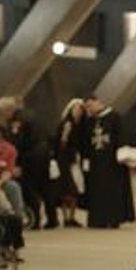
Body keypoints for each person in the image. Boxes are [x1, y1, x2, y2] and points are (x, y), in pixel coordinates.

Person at [79, 95, 135, 228]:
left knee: (112, 192)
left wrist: (122, 155)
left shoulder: (115, 117)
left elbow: (122, 137)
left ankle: (114, 219)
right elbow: (85, 142)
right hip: (95, 164)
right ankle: (98, 220)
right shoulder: (89, 121)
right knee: (96, 192)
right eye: (87, 107)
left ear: (97, 102)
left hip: (112, 164)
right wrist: (85, 160)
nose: (89, 109)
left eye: (90, 105)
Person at [0, 96, 50, 229]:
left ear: (8, 110)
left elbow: (17, 143)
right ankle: (51, 219)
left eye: (1, 112)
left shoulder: (17, 121)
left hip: (30, 157)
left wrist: (17, 164)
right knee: (43, 188)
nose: (0, 116)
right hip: (43, 154)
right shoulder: (31, 114)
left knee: (27, 187)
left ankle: (35, 221)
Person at [49, 98, 85, 228]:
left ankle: (71, 217)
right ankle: (66, 217)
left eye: (80, 109)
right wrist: (65, 135)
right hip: (65, 160)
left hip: (73, 160)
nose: (79, 111)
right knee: (66, 189)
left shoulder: (80, 124)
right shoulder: (67, 124)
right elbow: (62, 143)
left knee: (74, 189)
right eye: (76, 108)